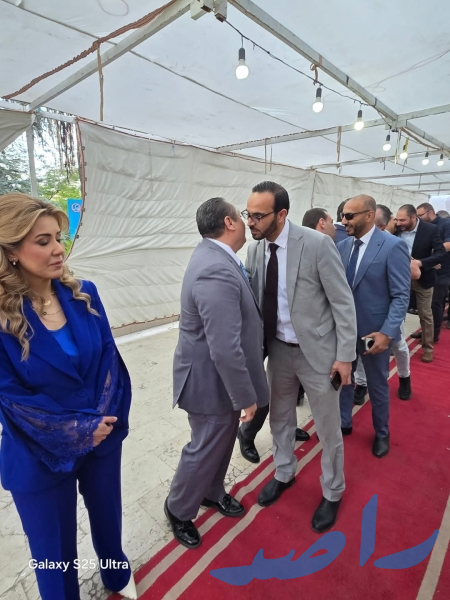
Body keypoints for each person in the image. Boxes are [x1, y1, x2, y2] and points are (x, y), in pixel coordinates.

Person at [0, 194, 135, 600]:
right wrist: (77, 430)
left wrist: (99, 424)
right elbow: (9, 397)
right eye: (43, 241)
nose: (59, 249)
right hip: (37, 450)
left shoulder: (84, 294)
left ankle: (116, 575)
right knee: (54, 555)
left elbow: (109, 359)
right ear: (11, 252)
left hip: (102, 437)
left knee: (109, 520)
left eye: (58, 237)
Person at [241, 181, 357, 533]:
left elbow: (342, 302)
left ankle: (333, 491)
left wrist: (345, 356)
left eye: (258, 216)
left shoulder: (317, 244)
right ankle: (284, 472)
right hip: (277, 351)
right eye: (248, 214)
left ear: (281, 214)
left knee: (327, 427)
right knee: (280, 418)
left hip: (318, 354)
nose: (250, 222)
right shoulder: (255, 250)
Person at [165, 197, 269, 549]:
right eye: (243, 215)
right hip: (209, 381)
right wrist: (246, 397)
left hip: (218, 377)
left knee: (221, 441)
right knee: (205, 446)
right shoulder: (215, 268)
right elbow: (224, 346)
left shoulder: (219, 257)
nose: (247, 222)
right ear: (229, 222)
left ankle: (211, 491)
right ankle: (179, 508)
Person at [338, 196, 411, 458]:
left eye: (349, 216)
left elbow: (401, 296)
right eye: (342, 215)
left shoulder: (393, 246)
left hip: (374, 333)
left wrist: (387, 333)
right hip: (344, 331)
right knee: (343, 379)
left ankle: (382, 432)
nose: (343, 221)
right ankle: (343, 422)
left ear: (369, 215)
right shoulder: (342, 246)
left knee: (377, 384)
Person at [353, 204, 418, 404]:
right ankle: (362, 383)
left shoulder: (394, 244)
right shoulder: (355, 243)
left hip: (390, 310)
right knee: (365, 347)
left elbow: (412, 275)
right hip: (366, 312)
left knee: (398, 345)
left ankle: (404, 376)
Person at [396, 204, 446, 362]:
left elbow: (440, 253)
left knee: (425, 314)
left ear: (413, 217)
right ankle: (395, 345)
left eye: (402, 220)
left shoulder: (430, 229)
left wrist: (421, 263)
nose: (399, 223)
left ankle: (428, 348)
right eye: (397, 219)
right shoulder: (396, 229)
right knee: (397, 312)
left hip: (423, 278)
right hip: (400, 277)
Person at [415, 203, 450, 343]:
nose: (418, 218)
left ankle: (432, 336)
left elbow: (448, 244)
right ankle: (426, 332)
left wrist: (431, 256)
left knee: (436, 303)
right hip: (428, 269)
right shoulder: (422, 226)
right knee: (426, 306)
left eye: (420, 215)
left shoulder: (445, 224)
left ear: (430, 212)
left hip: (442, 271)